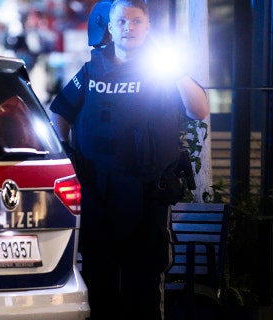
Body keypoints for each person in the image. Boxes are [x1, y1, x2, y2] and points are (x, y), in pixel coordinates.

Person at [49, 0, 209, 319]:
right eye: (121, 22)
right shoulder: (94, 67)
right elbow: (60, 112)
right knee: (97, 278)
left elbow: (199, 110)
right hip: (98, 193)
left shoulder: (162, 69)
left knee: (144, 281)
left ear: (147, 28)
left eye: (136, 22)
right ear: (110, 27)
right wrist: (67, 156)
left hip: (146, 193)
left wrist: (176, 71)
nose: (129, 28)